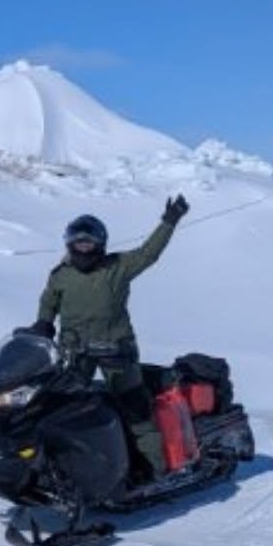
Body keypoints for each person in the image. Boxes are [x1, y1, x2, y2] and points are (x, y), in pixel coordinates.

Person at [28, 195, 190, 478]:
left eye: (88, 242)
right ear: (69, 244)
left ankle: (156, 468)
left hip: (116, 350)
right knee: (64, 407)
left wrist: (169, 221)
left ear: (100, 244)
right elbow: (48, 302)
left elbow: (149, 252)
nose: (83, 247)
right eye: (78, 242)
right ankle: (68, 465)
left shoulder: (118, 267)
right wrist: (43, 324)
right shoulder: (60, 275)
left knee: (134, 406)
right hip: (75, 352)